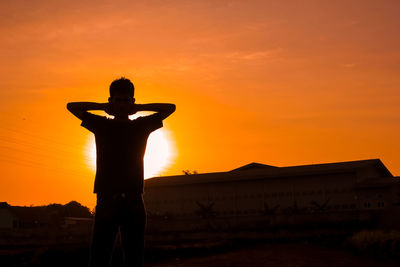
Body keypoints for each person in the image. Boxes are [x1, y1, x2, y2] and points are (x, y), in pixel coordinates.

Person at [67, 77, 176, 267]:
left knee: (134, 257)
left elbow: (170, 107)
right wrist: (102, 107)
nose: (122, 105)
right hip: (106, 198)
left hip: (134, 199)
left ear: (132, 101)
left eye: (126, 100)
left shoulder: (141, 125)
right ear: (111, 101)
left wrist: (139, 108)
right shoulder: (102, 124)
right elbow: (72, 106)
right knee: (99, 257)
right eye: (118, 100)